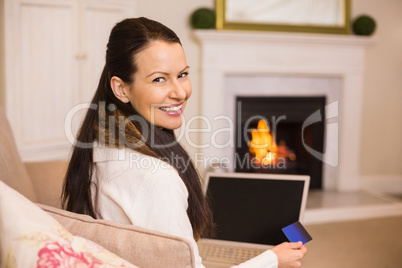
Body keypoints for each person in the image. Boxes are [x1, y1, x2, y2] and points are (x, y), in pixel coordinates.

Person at [62, 17, 307, 268]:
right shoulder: (155, 177)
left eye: (182, 74)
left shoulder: (99, 144)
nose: (180, 92)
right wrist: (272, 260)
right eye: (159, 79)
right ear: (121, 88)